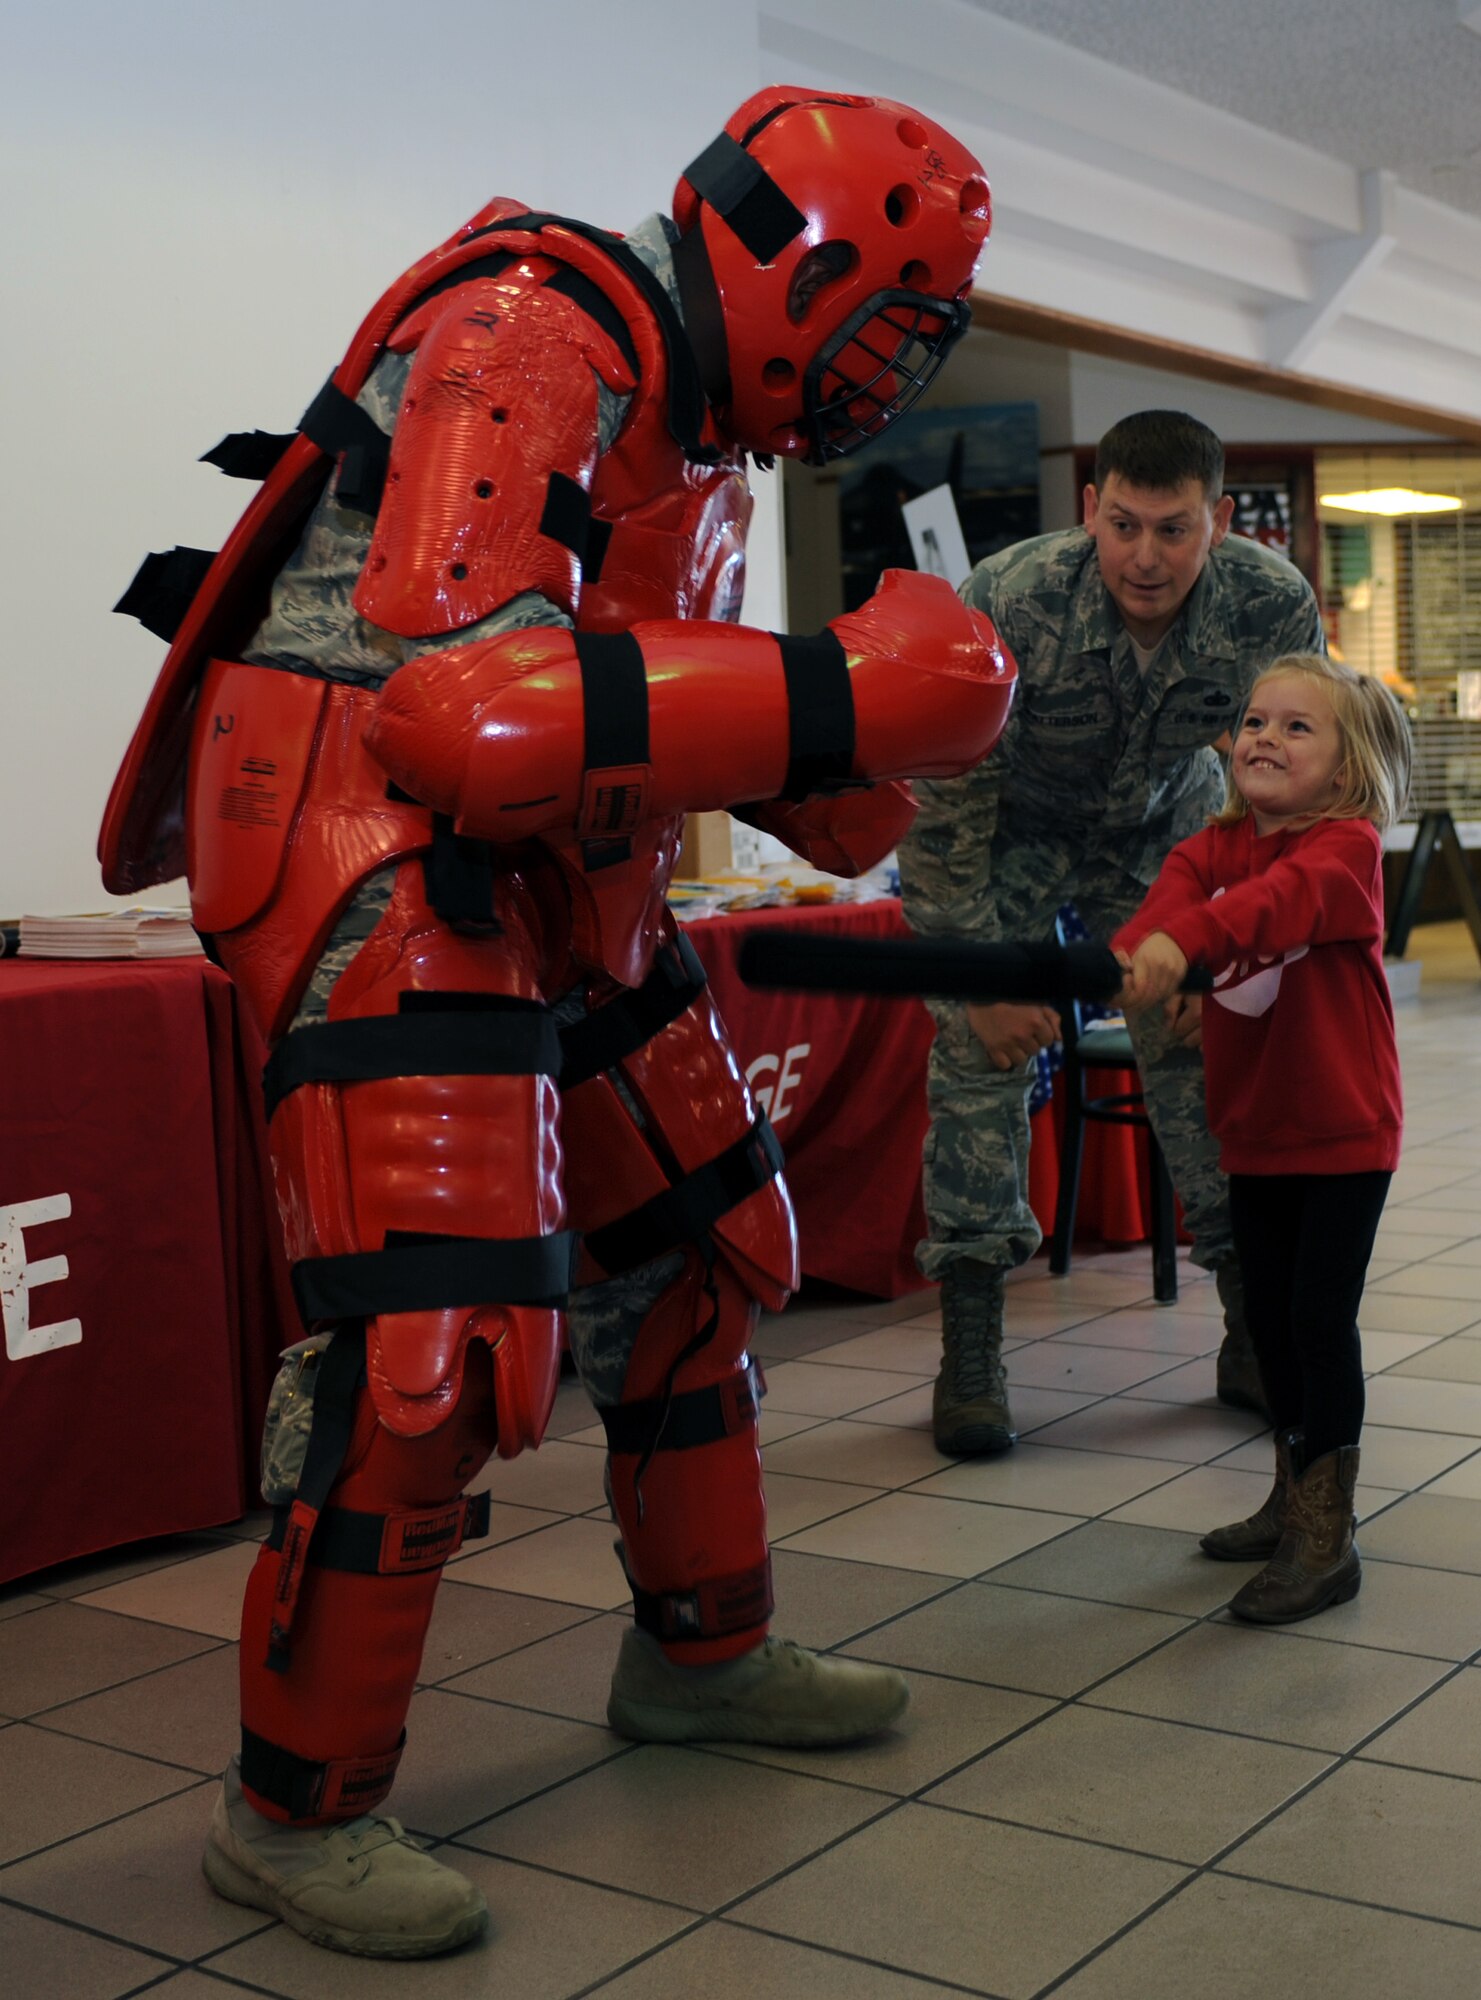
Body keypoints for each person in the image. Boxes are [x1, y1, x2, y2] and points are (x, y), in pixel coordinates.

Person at [100, 89, 1012, 1958]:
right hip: (377, 843)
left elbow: (679, 718)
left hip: (554, 874)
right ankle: (294, 1810)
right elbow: (471, 705)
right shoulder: (533, 328)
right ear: (796, 266)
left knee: (704, 1242)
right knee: (434, 1346)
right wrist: (846, 694)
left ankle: (704, 1657)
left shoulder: (699, 441)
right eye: (881, 333)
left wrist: (865, 744)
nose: (880, 386)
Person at [899, 410, 1326, 1457]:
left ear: (1217, 521)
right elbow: (941, 800)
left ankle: (1248, 1329)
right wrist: (975, 983)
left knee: (1201, 1046)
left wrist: (1233, 947)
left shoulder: (1269, 604)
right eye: (1123, 524)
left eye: (1173, 529)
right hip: (1008, 832)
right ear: (1088, 509)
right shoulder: (1006, 597)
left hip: (1165, 837)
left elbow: (1295, 792)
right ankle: (969, 1346)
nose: (1144, 557)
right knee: (973, 1054)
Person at [1115, 653, 1410, 1622]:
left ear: (1344, 765)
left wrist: (1182, 947)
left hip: (1339, 1129)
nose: (1262, 738)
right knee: (1269, 1322)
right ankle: (1289, 1493)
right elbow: (1174, 901)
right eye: (1252, 720)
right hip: (1253, 1129)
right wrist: (1142, 948)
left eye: (1295, 727)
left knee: (1317, 1321)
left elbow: (1262, 910)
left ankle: (1325, 1533)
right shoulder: (1210, 844)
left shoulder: (1344, 848)